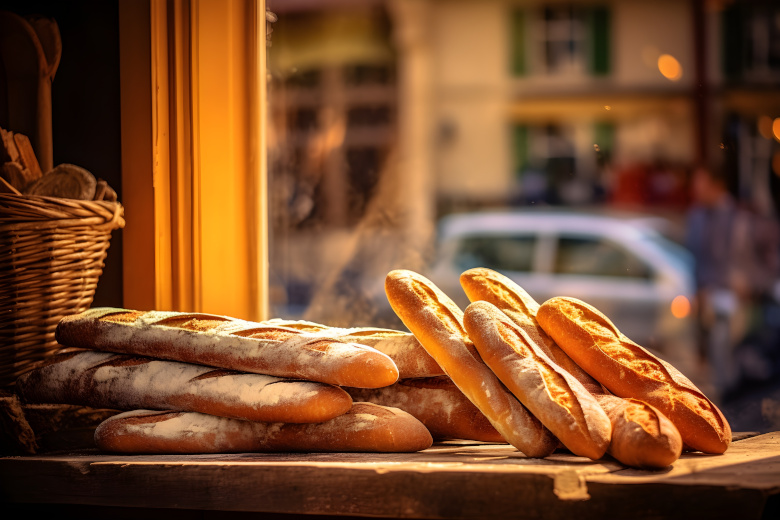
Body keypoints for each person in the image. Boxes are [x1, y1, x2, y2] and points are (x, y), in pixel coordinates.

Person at [685, 165, 779, 400]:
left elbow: (766, 261)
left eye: (701, 183)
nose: (696, 189)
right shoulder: (696, 218)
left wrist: (754, 285)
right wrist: (699, 290)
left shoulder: (744, 216)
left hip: (748, 303)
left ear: (717, 184)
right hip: (712, 300)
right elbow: (698, 261)